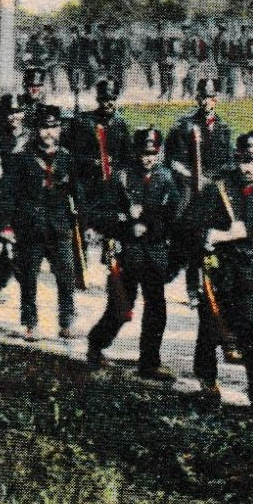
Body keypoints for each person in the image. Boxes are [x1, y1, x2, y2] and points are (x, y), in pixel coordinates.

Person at [186, 132, 253, 408]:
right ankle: (208, 384)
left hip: (249, 274)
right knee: (210, 331)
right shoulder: (218, 190)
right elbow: (188, 228)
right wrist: (221, 235)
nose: (247, 168)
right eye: (242, 160)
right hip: (218, 272)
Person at [86, 127, 179, 380]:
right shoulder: (122, 178)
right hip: (127, 254)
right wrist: (125, 218)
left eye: (153, 153)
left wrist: (149, 225)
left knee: (156, 310)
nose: (148, 158)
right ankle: (96, 344)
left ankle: (149, 362)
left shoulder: (167, 179)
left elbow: (173, 218)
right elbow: (97, 215)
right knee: (120, 308)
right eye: (143, 153)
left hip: (154, 254)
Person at [0, 104, 82, 340]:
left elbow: (77, 193)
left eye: (54, 128)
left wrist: (83, 221)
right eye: (45, 128)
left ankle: (66, 322)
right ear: (36, 129)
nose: (49, 133)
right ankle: (30, 322)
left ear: (60, 130)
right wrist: (7, 225)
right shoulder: (23, 158)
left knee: (66, 275)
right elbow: (8, 194)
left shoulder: (67, 158)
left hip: (59, 227)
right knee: (29, 277)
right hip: (30, 227)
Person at [0, 93, 27, 303]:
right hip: (5, 199)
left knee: (19, 244)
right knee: (12, 244)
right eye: (10, 113)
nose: (14, 117)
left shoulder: (30, 136)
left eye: (18, 112)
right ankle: (5, 288)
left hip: (27, 197)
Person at [167, 77, 232, 201]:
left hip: (215, 183)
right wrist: (195, 177)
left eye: (210, 97)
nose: (206, 102)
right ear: (197, 99)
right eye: (203, 97)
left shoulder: (224, 129)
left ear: (216, 99)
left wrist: (210, 179)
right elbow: (175, 161)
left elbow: (229, 162)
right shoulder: (184, 126)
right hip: (188, 182)